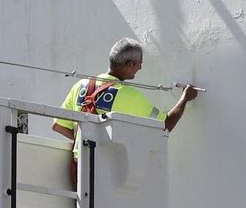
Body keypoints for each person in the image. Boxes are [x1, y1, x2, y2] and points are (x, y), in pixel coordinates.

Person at [52, 38, 200, 155]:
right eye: (139, 64)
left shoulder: (81, 85)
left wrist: (83, 141)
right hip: (104, 169)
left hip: (78, 167)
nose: (140, 68)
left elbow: (59, 126)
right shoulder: (128, 95)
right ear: (130, 64)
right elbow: (164, 125)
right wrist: (185, 98)